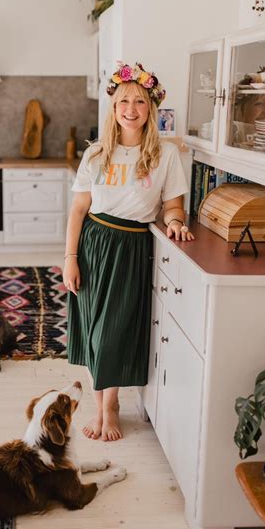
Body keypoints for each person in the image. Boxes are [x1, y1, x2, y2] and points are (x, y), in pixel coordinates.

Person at [63, 61, 195, 442]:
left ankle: (111, 406)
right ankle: (98, 404)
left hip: (132, 247)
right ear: (114, 107)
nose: (131, 109)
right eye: (124, 101)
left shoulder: (165, 155)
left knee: (113, 332)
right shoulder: (96, 154)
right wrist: (70, 257)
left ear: (150, 108)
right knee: (91, 330)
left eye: (139, 101)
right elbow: (78, 210)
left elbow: (173, 205)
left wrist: (173, 222)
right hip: (94, 243)